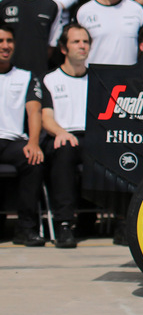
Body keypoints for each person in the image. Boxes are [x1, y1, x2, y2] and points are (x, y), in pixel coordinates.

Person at [39, 24, 93, 248]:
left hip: (91, 138)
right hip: (62, 136)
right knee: (65, 149)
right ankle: (63, 224)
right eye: (76, 42)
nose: (82, 46)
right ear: (63, 48)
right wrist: (61, 132)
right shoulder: (50, 80)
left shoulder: (97, 80)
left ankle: (120, 221)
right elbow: (46, 118)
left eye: (86, 42)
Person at [0, 25, 47, 246]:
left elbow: (34, 110)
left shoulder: (26, 76)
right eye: (0, 41)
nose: (5, 46)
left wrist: (34, 142)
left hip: (12, 141)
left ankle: (26, 228)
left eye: (9, 41)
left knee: (33, 159)